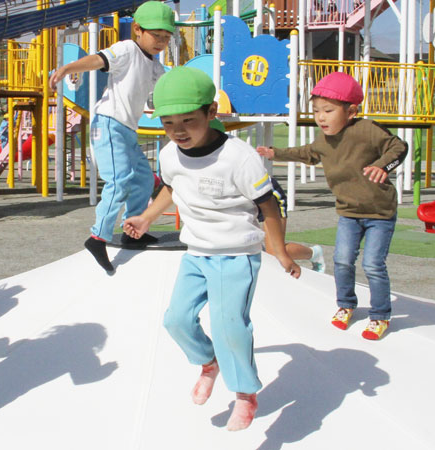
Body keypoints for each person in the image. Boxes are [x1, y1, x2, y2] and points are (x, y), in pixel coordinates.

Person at [123, 67, 301, 431]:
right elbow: (172, 188)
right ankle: (210, 363)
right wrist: (145, 218)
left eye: (189, 120)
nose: (178, 131)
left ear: (211, 113)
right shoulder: (171, 154)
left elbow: (268, 205)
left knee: (229, 326)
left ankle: (245, 393)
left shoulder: (239, 158)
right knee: (176, 320)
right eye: (169, 123)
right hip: (196, 254)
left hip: (236, 255)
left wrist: (279, 250)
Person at [256, 72, 407, 341]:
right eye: (316, 111)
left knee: (373, 264)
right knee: (342, 260)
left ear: (351, 111)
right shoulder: (323, 141)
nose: (321, 117)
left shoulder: (366, 130)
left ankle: (380, 314)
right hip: (349, 212)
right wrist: (274, 152)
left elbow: (398, 147)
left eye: (328, 110)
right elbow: (305, 153)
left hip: (380, 213)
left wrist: (382, 166)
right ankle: (346, 304)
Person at [48, 0, 174, 272]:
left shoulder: (154, 65)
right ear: (138, 30)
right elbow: (99, 59)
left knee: (141, 179)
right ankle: (97, 237)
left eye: (166, 38)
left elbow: (170, 86)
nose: (161, 42)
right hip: (107, 124)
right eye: (157, 36)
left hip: (127, 129)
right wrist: (69, 68)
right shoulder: (127, 49)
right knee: (119, 181)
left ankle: (132, 230)